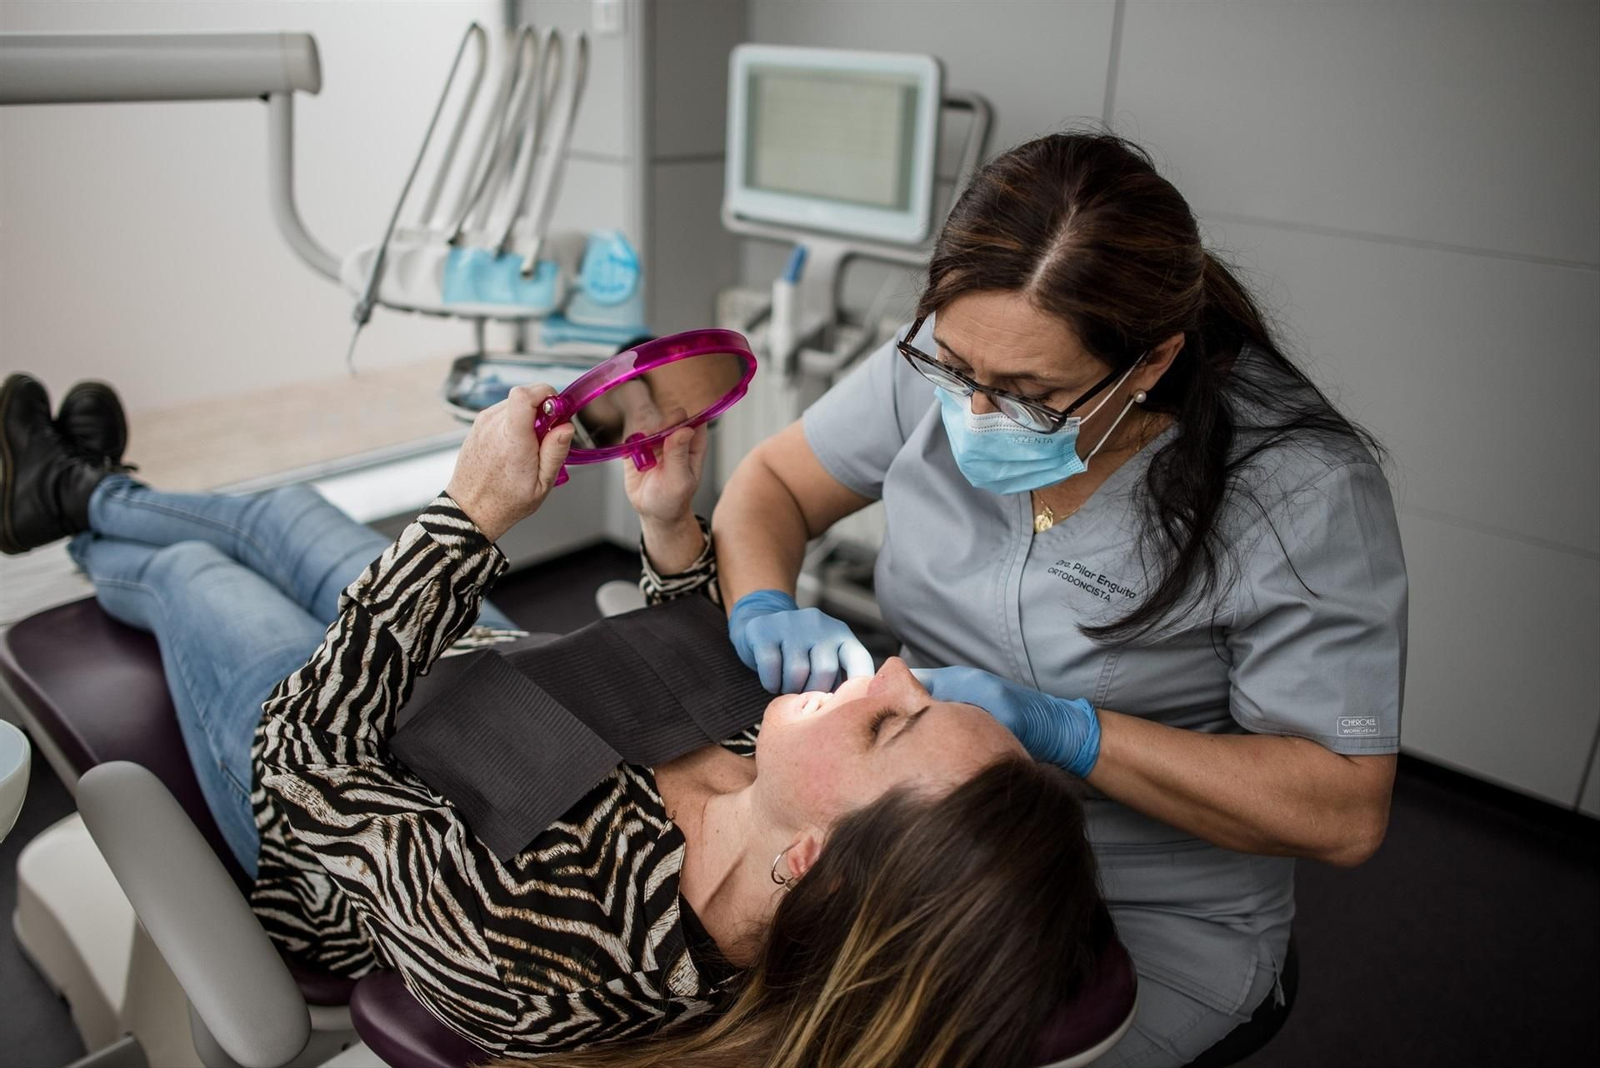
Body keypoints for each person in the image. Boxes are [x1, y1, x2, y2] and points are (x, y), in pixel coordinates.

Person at [0, 372, 1113, 1066]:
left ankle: (74, 505)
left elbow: (302, 769)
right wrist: (672, 530)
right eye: (917, 693)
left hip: (319, 744)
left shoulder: (536, 940)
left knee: (197, 567)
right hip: (472, 647)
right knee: (286, 508)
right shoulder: (783, 785)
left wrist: (469, 517)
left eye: (890, 724)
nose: (895, 669)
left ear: (812, 857)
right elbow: (677, 666)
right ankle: (83, 487)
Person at [714, 132, 1408, 1067]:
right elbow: (774, 486)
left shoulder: (1298, 488)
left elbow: (1343, 809)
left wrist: (1071, 731)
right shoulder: (952, 358)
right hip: (920, 868)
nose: (978, 412)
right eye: (959, 373)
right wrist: (763, 604)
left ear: (1152, 361)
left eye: (1033, 395)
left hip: (1148, 907)